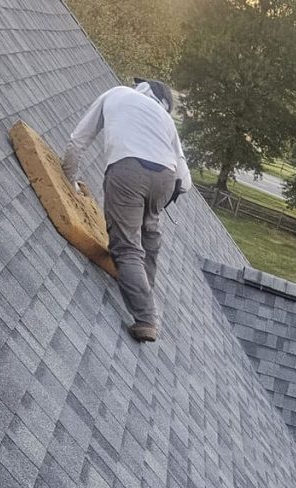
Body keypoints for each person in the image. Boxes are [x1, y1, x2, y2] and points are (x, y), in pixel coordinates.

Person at [62, 79, 192, 343]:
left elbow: (78, 141)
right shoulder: (165, 120)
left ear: (140, 88)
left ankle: (146, 319)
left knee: (127, 249)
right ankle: (144, 290)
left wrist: (68, 178)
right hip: (165, 178)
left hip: (128, 170)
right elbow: (185, 181)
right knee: (150, 237)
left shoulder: (117, 93)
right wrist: (161, 199)